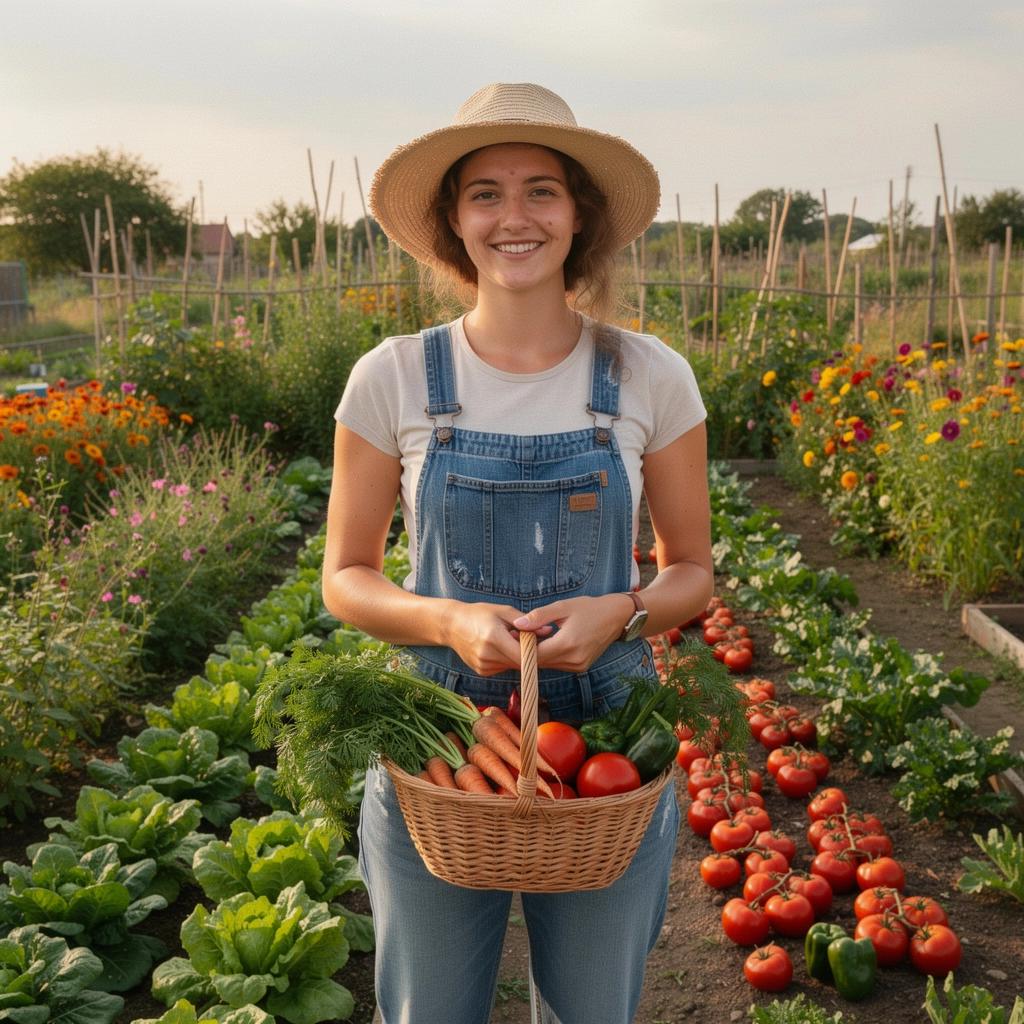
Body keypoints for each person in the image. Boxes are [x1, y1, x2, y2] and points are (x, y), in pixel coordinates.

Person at [323, 82, 712, 1024]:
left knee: (591, 1011)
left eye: (542, 189)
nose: (515, 216)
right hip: (439, 743)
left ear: (579, 216)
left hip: (605, 747)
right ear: (456, 223)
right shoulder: (397, 376)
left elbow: (692, 571)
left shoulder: (649, 374)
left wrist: (621, 610)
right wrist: (446, 619)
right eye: (486, 193)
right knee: (428, 1011)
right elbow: (346, 577)